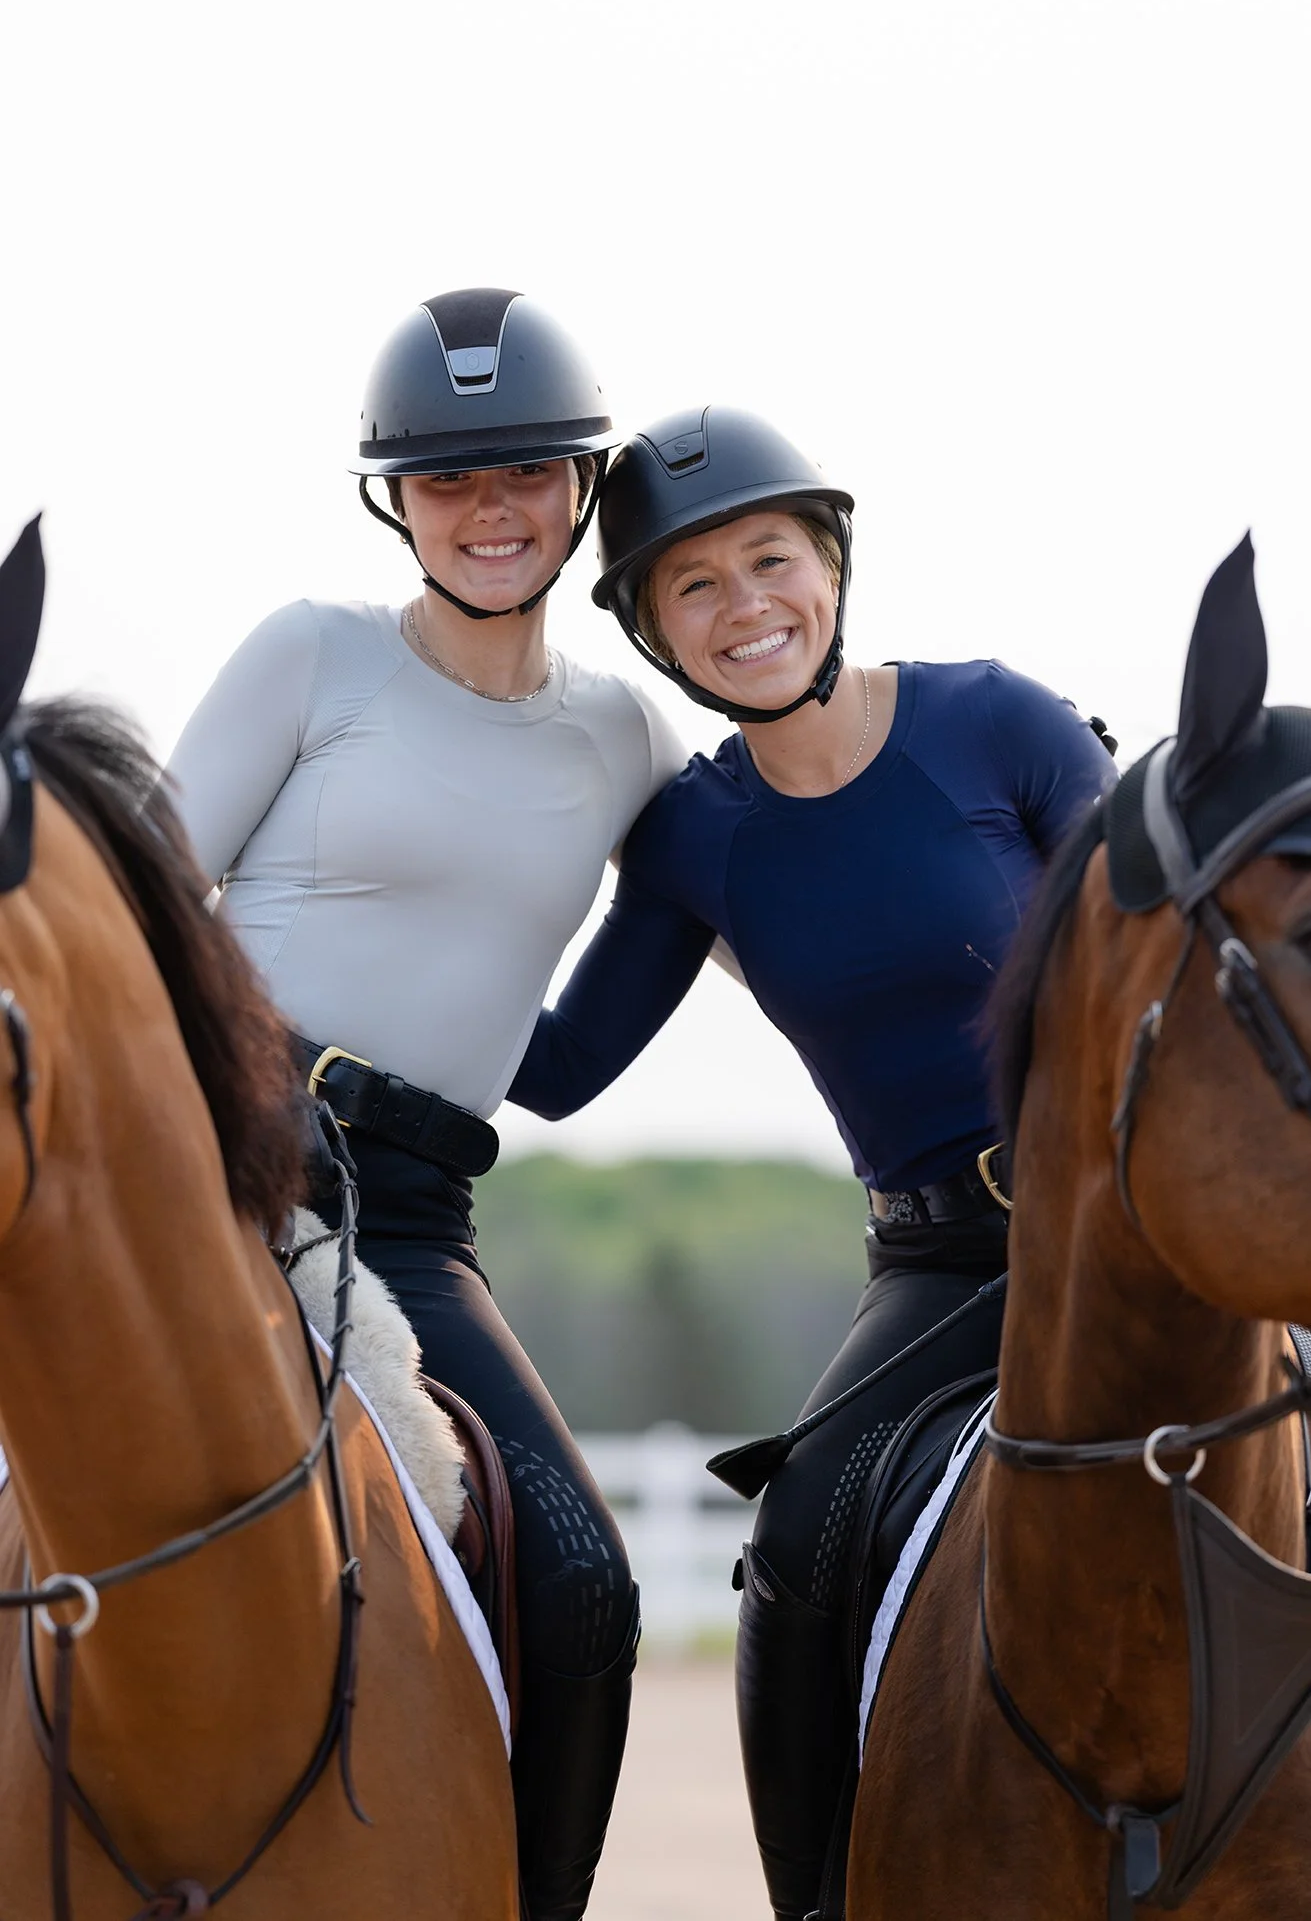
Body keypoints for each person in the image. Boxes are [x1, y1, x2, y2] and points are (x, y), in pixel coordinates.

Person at [506, 405, 1117, 1921]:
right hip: (935, 1262)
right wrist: (402, 950)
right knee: (798, 1523)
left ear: (830, 567)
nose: (744, 606)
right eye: (692, 587)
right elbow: (564, 1067)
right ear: (652, 631)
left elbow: (1147, 959)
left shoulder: (1002, 724)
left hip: (1123, 1226)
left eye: (768, 560)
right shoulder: (696, 838)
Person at [165, 290, 685, 1921]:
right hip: (221, 1160)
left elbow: (762, 922)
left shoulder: (624, 735)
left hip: (421, 1221)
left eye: (525, 471)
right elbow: (148, 900)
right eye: (447, 479)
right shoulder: (308, 653)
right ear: (394, 498)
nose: (489, 510)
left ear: (581, 490)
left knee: (584, 1580)